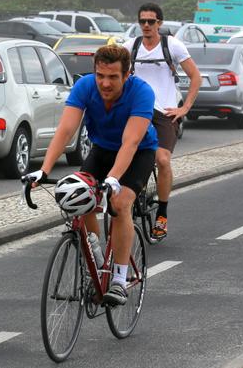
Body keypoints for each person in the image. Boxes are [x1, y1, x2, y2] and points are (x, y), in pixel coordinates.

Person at [24, 45, 158, 305]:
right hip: (102, 150)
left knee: (119, 203)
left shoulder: (141, 92)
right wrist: (44, 169)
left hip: (138, 153)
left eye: (113, 77)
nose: (105, 83)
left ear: (127, 74)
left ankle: (119, 279)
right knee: (79, 197)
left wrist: (113, 180)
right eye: (100, 76)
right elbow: (65, 131)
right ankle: (96, 262)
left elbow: (130, 143)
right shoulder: (85, 86)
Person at [123, 3, 201, 239]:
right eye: (142, 21)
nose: (146, 26)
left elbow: (195, 76)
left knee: (162, 159)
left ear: (160, 23)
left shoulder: (172, 45)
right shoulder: (130, 47)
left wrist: (184, 108)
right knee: (124, 154)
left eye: (151, 21)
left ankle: (162, 215)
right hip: (137, 111)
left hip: (164, 112)